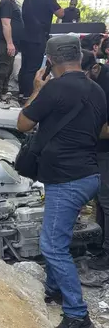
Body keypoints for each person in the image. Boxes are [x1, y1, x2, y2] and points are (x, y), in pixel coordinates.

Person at [17, 35, 106, 328]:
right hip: (89, 176)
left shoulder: (52, 88)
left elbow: (23, 123)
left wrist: (36, 90)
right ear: (79, 57)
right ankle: (54, 289)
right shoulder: (96, 90)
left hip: (67, 179)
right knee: (58, 235)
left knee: (52, 245)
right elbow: (102, 130)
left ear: (50, 61)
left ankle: (77, 315)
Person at [80, 39, 109, 271]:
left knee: (107, 202)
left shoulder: (106, 84)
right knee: (99, 201)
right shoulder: (90, 82)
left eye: (83, 75)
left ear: (95, 68)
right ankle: (98, 243)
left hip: (105, 151)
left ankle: (107, 254)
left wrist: (83, 130)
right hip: (96, 149)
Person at [19, 0, 65, 98]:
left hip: (25, 37)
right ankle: (28, 95)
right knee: (33, 67)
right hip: (38, 38)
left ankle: (22, 92)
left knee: (25, 66)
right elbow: (61, 14)